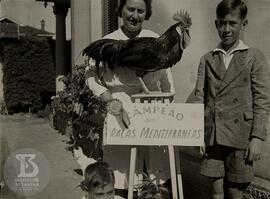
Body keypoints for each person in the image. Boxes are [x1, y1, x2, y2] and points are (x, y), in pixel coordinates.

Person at [85, 0, 174, 191]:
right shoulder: (109, 40)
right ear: (120, 10)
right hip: (120, 106)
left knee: (155, 169)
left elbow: (166, 74)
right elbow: (90, 75)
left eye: (140, 11)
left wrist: (168, 99)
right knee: (122, 171)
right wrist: (109, 98)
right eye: (130, 9)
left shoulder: (154, 39)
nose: (135, 15)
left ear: (147, 13)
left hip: (152, 105)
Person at [193, 0, 270, 198]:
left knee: (236, 191)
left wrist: (257, 138)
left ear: (243, 24)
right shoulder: (207, 58)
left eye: (232, 23)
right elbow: (199, 98)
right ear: (216, 24)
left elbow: (262, 100)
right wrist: (197, 133)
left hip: (241, 136)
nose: (226, 29)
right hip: (213, 135)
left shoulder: (254, 57)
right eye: (222, 23)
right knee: (215, 190)